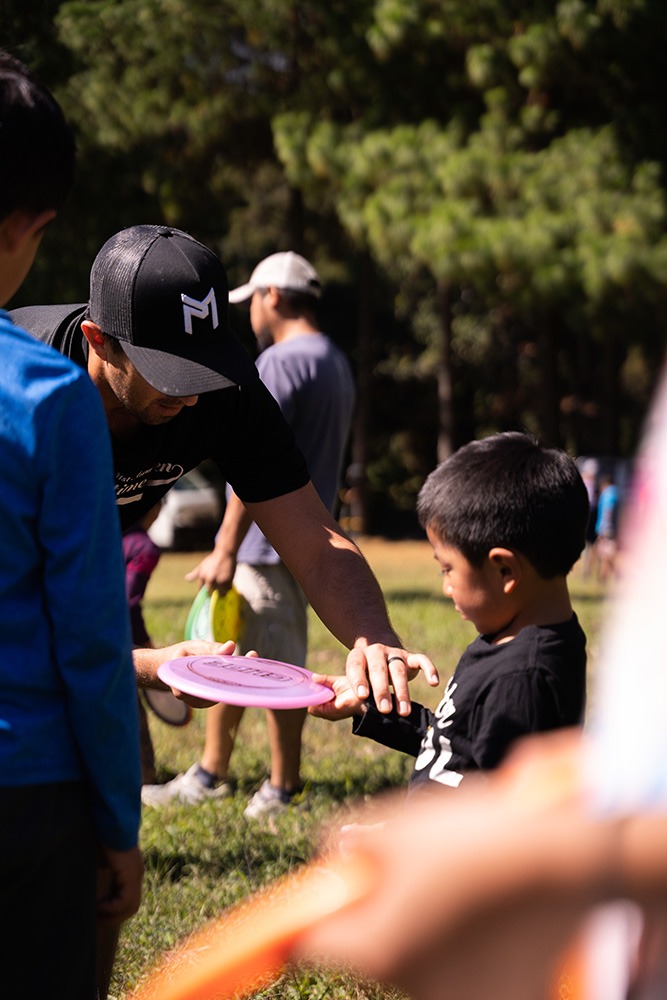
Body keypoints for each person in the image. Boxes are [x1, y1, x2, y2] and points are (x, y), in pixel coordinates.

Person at [11, 224, 437, 723]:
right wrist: (151, 666)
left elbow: (317, 542)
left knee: (110, 751)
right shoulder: (20, 391)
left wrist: (374, 637)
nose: (192, 396)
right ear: (98, 340)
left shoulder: (225, 393)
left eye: (203, 367)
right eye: (170, 373)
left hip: (82, 560)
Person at [0, 50, 143, 1000]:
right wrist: (117, 826)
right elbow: (92, 642)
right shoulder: (50, 396)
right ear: (30, 224)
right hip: (28, 800)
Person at [141, 251, 356, 815]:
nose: (252, 315)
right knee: (239, 659)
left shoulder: (282, 362)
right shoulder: (334, 360)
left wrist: (225, 546)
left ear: (273, 297)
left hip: (265, 545)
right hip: (304, 538)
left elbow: (254, 464)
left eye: (253, 301)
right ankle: (212, 771)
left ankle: (282, 786)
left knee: (275, 667)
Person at [310, 432, 589, 793]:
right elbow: (457, 744)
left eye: (447, 569)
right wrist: (371, 707)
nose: (445, 587)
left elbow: (504, 814)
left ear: (505, 570)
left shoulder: (523, 682)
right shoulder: (510, 641)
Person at [123, 506, 164, 785]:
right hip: (113, 643)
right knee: (130, 707)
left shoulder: (105, 534)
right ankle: (144, 779)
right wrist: (147, 647)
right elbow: (129, 604)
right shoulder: (145, 547)